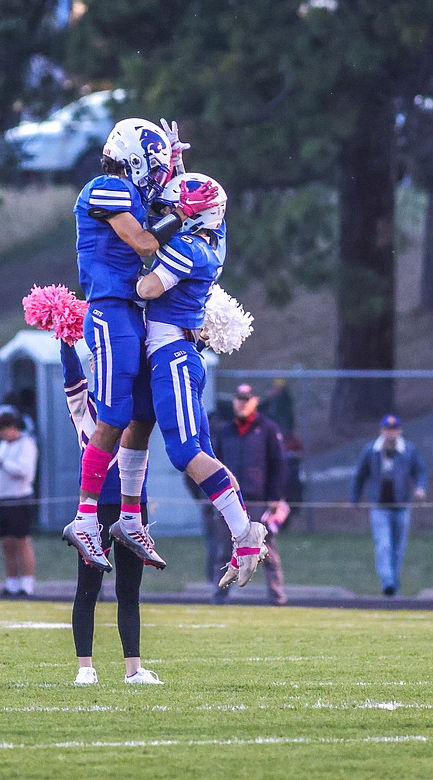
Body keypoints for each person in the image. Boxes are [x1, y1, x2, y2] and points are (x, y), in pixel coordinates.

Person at [63, 117, 218, 572]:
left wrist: (178, 165)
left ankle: (130, 518)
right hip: (111, 309)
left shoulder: (132, 192)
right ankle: (86, 517)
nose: (157, 174)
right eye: (154, 164)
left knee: (141, 417)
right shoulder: (103, 187)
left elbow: (164, 205)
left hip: (132, 312)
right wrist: (183, 213)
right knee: (113, 414)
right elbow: (147, 240)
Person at [136, 172, 270, 588]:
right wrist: (174, 167)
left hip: (172, 353)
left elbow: (146, 288)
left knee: (184, 452)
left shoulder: (189, 249)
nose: (164, 217)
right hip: (180, 353)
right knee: (200, 452)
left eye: (173, 211)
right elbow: (200, 198)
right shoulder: (212, 237)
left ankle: (245, 532)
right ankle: (244, 535)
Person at [60, 340, 160, 684]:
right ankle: (85, 668)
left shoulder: (134, 401)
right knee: (87, 587)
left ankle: (133, 670)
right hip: (95, 506)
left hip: (133, 503)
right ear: (92, 369)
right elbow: (70, 369)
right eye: (97, 364)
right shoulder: (81, 405)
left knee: (129, 590)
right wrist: (64, 334)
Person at [211, 383, 289, 605]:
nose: (242, 403)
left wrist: (275, 496)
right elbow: (214, 464)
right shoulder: (226, 430)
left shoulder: (267, 429)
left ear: (255, 401)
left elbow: (278, 464)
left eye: (246, 399)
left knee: (266, 548)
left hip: (258, 499)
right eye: (239, 399)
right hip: (229, 500)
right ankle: (219, 595)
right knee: (225, 549)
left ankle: (276, 595)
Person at [351, 414, 428, 598]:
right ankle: (388, 582)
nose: (390, 434)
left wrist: (420, 487)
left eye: (394, 430)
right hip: (380, 507)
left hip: (402, 506)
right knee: (383, 544)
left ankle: (394, 584)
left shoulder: (408, 450)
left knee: (398, 548)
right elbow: (360, 475)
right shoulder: (371, 450)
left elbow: (421, 471)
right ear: (382, 431)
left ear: (399, 431)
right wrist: (355, 498)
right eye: (387, 430)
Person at [0, 412, 38, 596]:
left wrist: (1, 461)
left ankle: (27, 583)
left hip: (19, 498)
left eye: (3, 430)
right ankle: (12, 582)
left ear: (13, 428)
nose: (1, 435)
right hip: (2, 497)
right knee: (6, 542)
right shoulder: (3, 445)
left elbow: (24, 471)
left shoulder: (27, 444)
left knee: (22, 541)